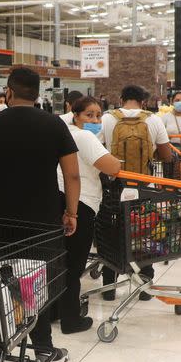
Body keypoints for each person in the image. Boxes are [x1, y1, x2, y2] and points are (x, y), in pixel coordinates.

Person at [0, 67, 81, 362]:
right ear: (37, 92)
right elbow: (72, 174)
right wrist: (71, 212)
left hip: (1, 219)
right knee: (38, 282)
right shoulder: (54, 125)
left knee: (5, 280)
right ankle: (43, 347)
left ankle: (0, 343)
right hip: (43, 220)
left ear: (9, 91)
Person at [98, 84, 171, 302]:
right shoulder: (153, 119)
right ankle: (145, 285)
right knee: (144, 232)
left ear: (121, 99)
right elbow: (167, 156)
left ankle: (109, 287)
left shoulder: (107, 118)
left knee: (110, 233)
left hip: (113, 187)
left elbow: (97, 149)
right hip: (142, 186)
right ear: (143, 101)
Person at [58, 96, 121, 334]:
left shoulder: (62, 133)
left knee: (62, 263)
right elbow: (112, 166)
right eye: (89, 115)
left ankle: (56, 312)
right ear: (76, 115)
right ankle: (71, 320)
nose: (95, 120)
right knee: (74, 265)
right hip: (81, 204)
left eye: (98, 115)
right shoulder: (83, 136)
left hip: (60, 198)